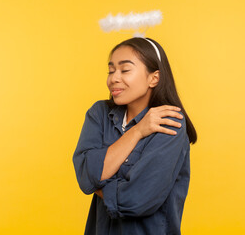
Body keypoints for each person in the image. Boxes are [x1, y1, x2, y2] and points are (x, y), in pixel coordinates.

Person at [72, 37, 197, 235]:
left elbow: (137, 199)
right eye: (111, 70)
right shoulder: (99, 114)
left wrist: (98, 182)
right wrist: (138, 131)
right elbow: (86, 175)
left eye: (125, 70)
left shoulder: (170, 122)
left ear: (153, 78)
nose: (114, 78)